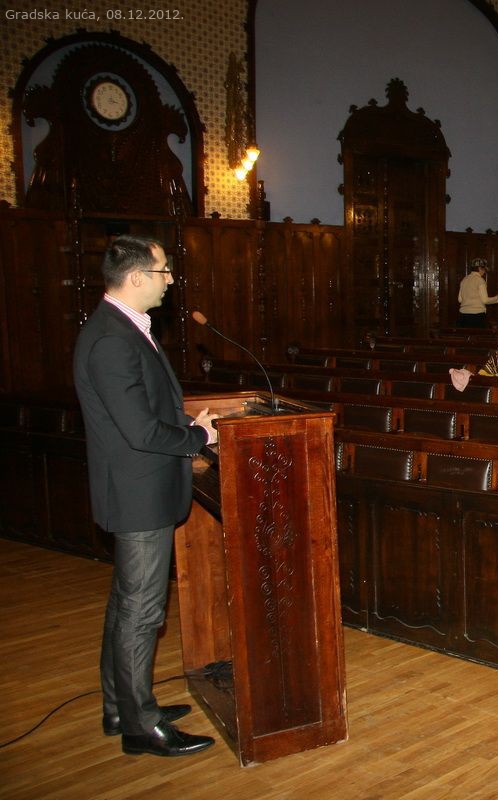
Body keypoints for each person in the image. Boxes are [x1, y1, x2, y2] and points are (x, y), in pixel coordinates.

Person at [73, 235, 217, 757]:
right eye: (164, 271)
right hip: (138, 492)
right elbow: (140, 430)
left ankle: (121, 706)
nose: (171, 280)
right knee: (141, 611)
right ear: (136, 278)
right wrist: (198, 437)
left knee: (126, 605)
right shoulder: (112, 339)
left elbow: (147, 408)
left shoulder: (122, 327)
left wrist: (186, 425)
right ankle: (141, 725)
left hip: (139, 488)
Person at [456, 257, 498, 327]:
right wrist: (497, 298)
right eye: (484, 269)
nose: (484, 272)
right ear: (479, 268)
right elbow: (485, 300)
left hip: (463, 316)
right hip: (477, 316)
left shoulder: (464, 279)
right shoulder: (480, 280)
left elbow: (460, 299)